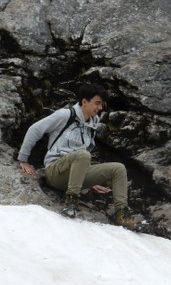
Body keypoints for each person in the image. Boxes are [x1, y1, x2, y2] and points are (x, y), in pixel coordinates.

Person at [17, 83, 141, 230]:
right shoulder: (65, 115)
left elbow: (83, 159)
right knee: (83, 154)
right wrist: (23, 159)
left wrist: (89, 178)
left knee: (118, 168)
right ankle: (71, 202)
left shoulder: (92, 125)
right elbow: (35, 129)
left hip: (74, 175)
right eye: (97, 103)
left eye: (102, 104)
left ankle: (122, 214)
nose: (100, 108)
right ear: (84, 102)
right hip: (55, 172)